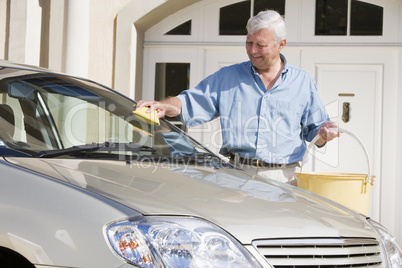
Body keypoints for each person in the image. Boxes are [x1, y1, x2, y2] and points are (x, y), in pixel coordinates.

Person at [136, 10, 339, 185]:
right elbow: (190, 102)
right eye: (249, 42)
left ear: (281, 44)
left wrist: (323, 134)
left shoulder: (302, 82)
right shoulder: (228, 77)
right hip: (237, 175)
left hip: (285, 177)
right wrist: (163, 105)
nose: (252, 50)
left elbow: (316, 130)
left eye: (260, 45)